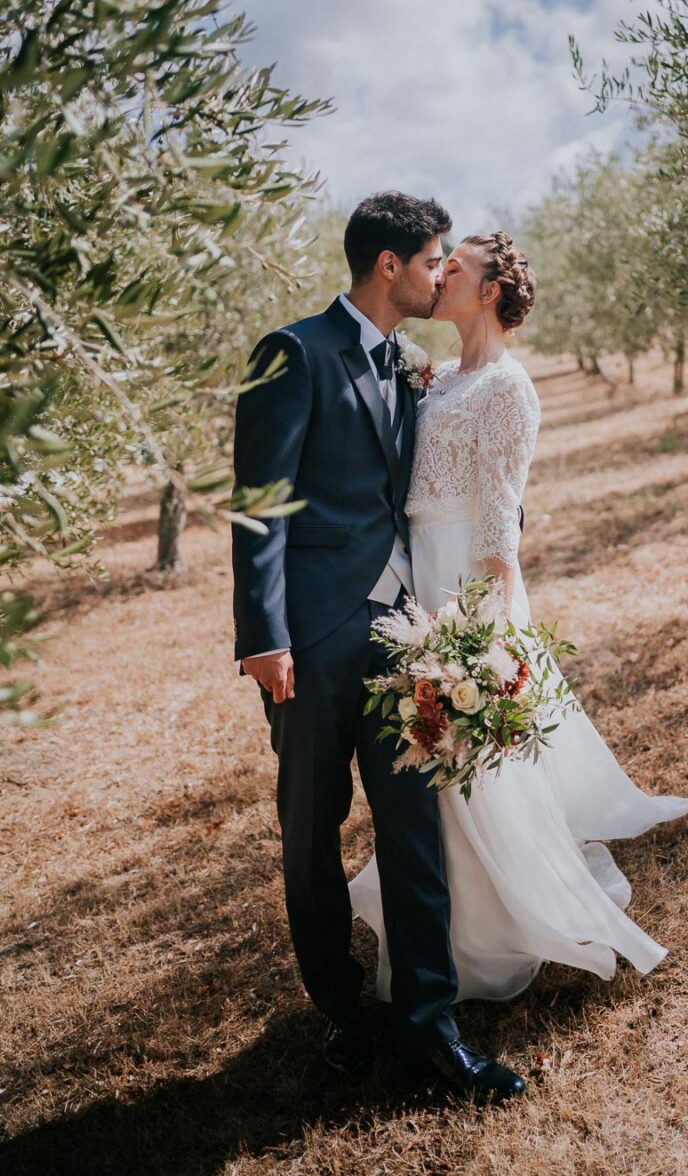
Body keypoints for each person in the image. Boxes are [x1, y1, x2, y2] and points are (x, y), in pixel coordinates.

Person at [349, 231, 688, 1003]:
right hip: (414, 579)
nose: (438, 274)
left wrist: (482, 640)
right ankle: (435, 929)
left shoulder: (509, 388)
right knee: (428, 768)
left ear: (489, 292)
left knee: (473, 763)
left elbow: (501, 523)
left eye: (455, 267)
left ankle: (495, 931)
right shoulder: (434, 378)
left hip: (467, 588)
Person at [231, 193, 526, 1102]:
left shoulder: (409, 363)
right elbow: (260, 503)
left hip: (408, 641)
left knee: (414, 835)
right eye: (434, 259)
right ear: (390, 266)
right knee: (310, 836)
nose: (444, 274)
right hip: (312, 643)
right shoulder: (295, 352)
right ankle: (342, 1015)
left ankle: (432, 1027)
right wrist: (264, 636)